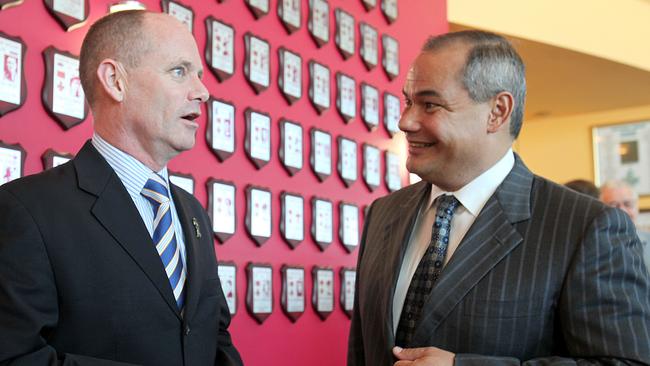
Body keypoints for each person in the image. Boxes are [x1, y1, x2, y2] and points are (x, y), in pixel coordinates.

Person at [347, 30, 650, 365]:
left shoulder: (586, 228)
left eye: (430, 105)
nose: (405, 121)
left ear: (497, 111)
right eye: (408, 101)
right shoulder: (384, 213)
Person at [0, 11, 242, 365]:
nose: (202, 92)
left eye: (200, 75)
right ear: (115, 80)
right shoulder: (26, 210)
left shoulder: (193, 213)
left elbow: (214, 336)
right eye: (179, 71)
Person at [600, 179, 650, 271]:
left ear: (637, 208)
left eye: (628, 204)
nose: (623, 211)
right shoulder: (593, 246)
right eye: (614, 205)